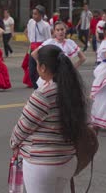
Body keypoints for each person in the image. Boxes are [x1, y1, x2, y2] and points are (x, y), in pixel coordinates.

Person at [10, 44, 89, 193]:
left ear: (43, 67)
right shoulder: (73, 90)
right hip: (68, 159)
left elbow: (22, 129)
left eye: (37, 63)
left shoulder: (43, 94)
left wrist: (13, 143)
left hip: (42, 162)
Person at [31, 21, 86, 87]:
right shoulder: (50, 42)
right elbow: (34, 54)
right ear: (54, 32)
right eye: (57, 30)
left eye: (62, 29)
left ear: (65, 30)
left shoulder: (70, 43)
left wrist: (72, 68)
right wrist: (42, 66)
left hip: (66, 75)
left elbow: (83, 58)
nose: (60, 32)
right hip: (52, 75)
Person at [22, 5, 52, 89]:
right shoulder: (31, 22)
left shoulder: (45, 25)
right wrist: (31, 43)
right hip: (32, 49)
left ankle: (40, 88)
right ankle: (36, 87)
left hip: (41, 49)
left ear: (41, 15)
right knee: (31, 70)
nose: (33, 15)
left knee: (40, 70)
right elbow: (28, 32)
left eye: (36, 14)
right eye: (33, 14)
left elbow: (48, 39)